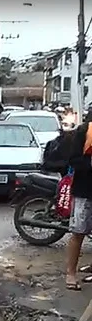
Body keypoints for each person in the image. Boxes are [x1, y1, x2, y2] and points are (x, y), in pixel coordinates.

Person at [65, 112, 92, 290]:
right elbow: (73, 160)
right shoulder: (83, 131)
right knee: (78, 232)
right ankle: (71, 273)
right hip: (85, 190)